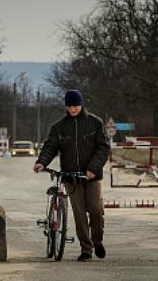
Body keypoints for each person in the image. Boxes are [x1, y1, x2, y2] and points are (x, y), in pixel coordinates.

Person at [33, 89, 110, 262]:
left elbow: (103, 148)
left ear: (81, 104)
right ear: (66, 107)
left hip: (92, 176)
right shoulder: (59, 127)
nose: (73, 109)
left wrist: (92, 169)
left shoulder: (95, 123)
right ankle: (86, 249)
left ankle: (97, 240)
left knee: (96, 211)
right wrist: (41, 162)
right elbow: (50, 147)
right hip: (70, 177)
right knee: (79, 213)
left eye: (76, 105)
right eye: (69, 106)